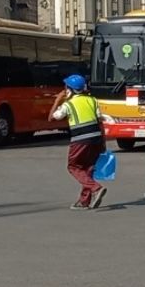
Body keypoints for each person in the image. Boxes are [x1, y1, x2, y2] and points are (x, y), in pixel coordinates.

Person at [50, 74, 108, 210]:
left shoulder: (68, 104)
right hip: (96, 138)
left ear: (70, 90)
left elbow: (52, 118)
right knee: (87, 168)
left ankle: (95, 188)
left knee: (73, 166)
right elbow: (100, 122)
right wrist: (103, 141)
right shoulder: (92, 100)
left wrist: (57, 101)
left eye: (66, 87)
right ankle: (84, 201)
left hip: (80, 139)